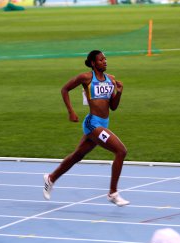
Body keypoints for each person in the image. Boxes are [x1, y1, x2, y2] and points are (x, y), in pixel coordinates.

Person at [43, 50, 130, 207]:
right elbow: (64, 89)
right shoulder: (86, 78)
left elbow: (113, 107)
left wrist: (119, 92)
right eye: (101, 59)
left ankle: (51, 178)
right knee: (121, 151)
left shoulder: (111, 79)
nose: (105, 61)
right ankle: (113, 192)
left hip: (103, 124)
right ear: (92, 63)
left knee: (77, 156)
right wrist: (71, 111)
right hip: (92, 123)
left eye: (105, 59)